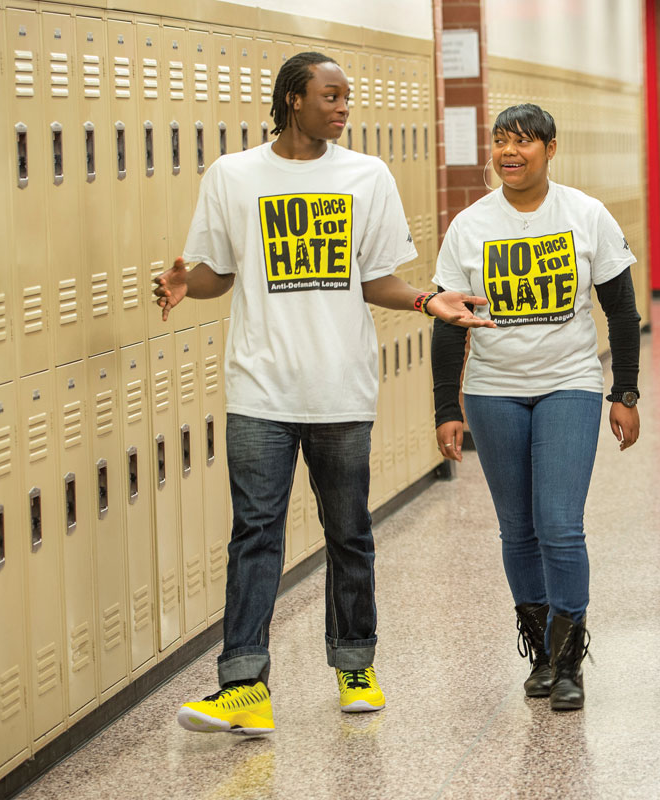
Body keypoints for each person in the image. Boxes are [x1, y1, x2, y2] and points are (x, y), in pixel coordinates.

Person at [153, 52, 490, 735]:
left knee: (349, 532)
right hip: (260, 386)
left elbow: (373, 279)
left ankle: (355, 663)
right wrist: (191, 285)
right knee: (255, 535)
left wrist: (430, 300)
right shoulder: (234, 175)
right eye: (330, 96)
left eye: (347, 97)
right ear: (291, 100)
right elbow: (220, 270)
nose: (342, 107)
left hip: (341, 386)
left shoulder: (367, 175)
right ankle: (243, 682)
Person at [430, 103, 641, 712]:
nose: (509, 152)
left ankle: (569, 655)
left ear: (551, 148)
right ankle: (541, 650)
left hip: (569, 382)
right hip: (494, 390)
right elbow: (448, 323)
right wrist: (449, 406)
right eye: (500, 142)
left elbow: (621, 311)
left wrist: (623, 392)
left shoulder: (585, 214)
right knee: (517, 529)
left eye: (523, 141)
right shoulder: (469, 225)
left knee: (558, 523)